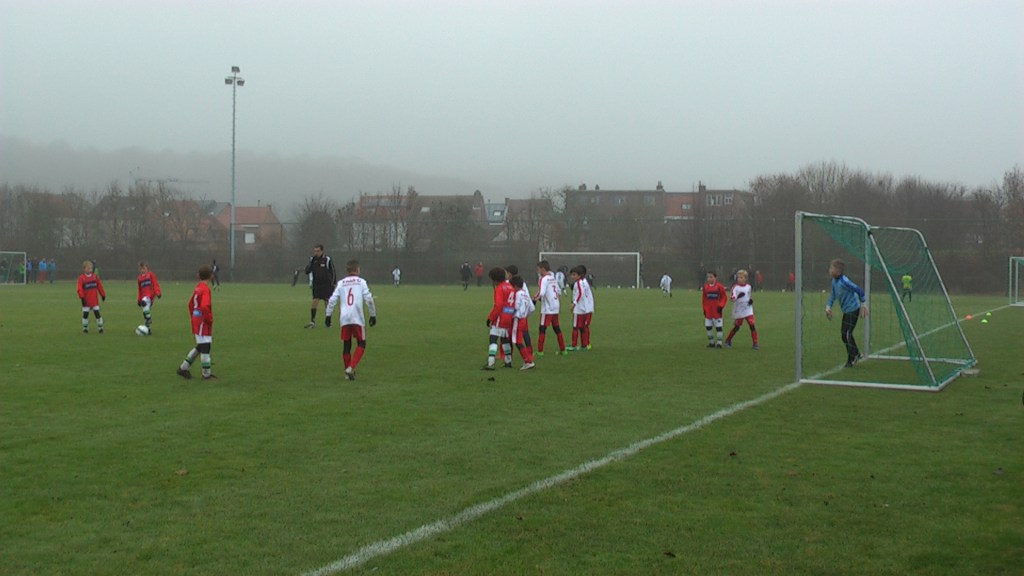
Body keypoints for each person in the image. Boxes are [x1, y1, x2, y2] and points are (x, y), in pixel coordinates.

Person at [325, 259, 377, 381]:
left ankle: (347, 374)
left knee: (347, 344)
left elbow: (332, 300)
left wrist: (328, 315)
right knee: (361, 343)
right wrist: (373, 315)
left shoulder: (341, 283)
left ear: (347, 270)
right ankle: (350, 368)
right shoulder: (361, 282)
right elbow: (369, 299)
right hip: (357, 317)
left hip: (345, 318)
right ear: (357, 269)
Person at [826, 259, 869, 367]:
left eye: (831, 268)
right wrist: (828, 306)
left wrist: (863, 304)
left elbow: (859, 290)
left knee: (847, 333)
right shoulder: (834, 281)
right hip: (847, 310)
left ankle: (852, 358)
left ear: (837, 271)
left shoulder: (845, 281)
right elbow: (833, 295)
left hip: (854, 309)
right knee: (844, 334)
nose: (830, 270)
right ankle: (856, 353)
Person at [177, 265, 216, 380]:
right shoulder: (205, 289)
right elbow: (204, 306)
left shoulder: (198, 287)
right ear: (211, 276)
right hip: (203, 321)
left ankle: (183, 368)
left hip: (197, 319)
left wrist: (194, 316)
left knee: (200, 346)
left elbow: (190, 304)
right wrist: (209, 319)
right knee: (206, 347)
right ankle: (206, 375)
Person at [483, 266, 515, 370]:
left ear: (495, 279)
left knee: (493, 338)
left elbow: (498, 305)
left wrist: (490, 318)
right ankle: (508, 361)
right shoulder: (510, 286)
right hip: (508, 316)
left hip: (500, 317)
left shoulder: (499, 288)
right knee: (504, 339)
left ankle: (490, 363)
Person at [534, 260, 567, 356]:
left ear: (542, 269)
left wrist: (534, 300)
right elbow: (558, 292)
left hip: (547, 308)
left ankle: (540, 351)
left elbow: (541, 292)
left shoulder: (543, 279)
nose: (538, 271)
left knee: (542, 328)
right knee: (556, 328)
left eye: (538, 269)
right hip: (556, 306)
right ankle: (563, 350)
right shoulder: (553, 278)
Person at [304, 244, 337, 328]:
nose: (316, 253)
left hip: (326, 285)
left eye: (318, 251)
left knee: (327, 302)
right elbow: (307, 271)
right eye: (315, 251)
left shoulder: (327, 259)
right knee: (315, 301)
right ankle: (312, 321)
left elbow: (333, 272)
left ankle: (328, 322)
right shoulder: (313, 260)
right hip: (317, 285)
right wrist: (310, 264)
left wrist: (333, 283)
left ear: (322, 251)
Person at [724, 269, 758, 350]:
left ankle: (755, 343)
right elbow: (732, 298)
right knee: (737, 327)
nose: (739, 279)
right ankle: (728, 340)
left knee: (752, 325)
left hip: (748, 309)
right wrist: (738, 296)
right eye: (738, 277)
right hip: (739, 310)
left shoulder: (749, 287)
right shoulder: (735, 287)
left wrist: (750, 301)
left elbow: (749, 296)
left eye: (741, 277)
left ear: (745, 278)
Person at [509, 275, 536, 370]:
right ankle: (529, 359)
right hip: (524, 319)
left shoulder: (517, 294)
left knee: (517, 341)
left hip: (518, 320)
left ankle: (528, 361)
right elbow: (531, 308)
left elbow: (515, 307)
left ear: (515, 286)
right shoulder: (525, 294)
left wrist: (505, 311)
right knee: (520, 340)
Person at [568, 265, 594, 351]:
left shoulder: (579, 283)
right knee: (584, 327)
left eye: (574, 274)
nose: (572, 276)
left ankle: (575, 345)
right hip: (587, 308)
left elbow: (580, 293)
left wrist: (574, 304)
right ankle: (585, 345)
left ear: (580, 275)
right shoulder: (584, 282)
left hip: (580, 308)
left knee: (576, 327)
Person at [76, 260, 106, 334]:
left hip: (94, 300)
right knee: (85, 315)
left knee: (97, 314)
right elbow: (79, 289)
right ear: (84, 269)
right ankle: (85, 328)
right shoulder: (81, 278)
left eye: (91, 268)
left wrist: (103, 294)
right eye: (88, 268)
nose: (90, 270)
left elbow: (99, 286)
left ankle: (100, 328)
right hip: (86, 300)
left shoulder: (94, 277)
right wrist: (82, 298)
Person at [701, 271, 728, 348]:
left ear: (715, 277)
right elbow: (704, 299)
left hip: (717, 311)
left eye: (711, 277)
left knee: (718, 327)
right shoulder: (706, 287)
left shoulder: (719, 286)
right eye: (708, 277)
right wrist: (704, 309)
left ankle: (719, 343)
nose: (709, 279)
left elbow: (724, 297)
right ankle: (711, 342)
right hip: (708, 311)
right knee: (708, 327)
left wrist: (721, 306)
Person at [136, 260, 162, 333]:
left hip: (150, 296)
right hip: (143, 297)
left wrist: (158, 292)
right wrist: (138, 300)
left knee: (144, 304)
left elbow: (155, 284)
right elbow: (139, 290)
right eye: (141, 269)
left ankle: (149, 319)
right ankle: (148, 330)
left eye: (144, 268)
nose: (142, 270)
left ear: (147, 268)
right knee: (145, 313)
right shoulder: (139, 278)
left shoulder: (150, 275)